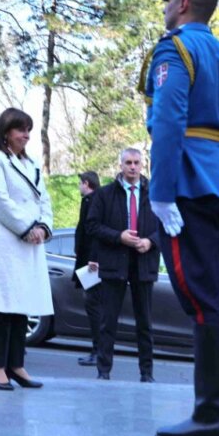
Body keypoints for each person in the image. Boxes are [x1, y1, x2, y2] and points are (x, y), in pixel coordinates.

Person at [140, 0, 219, 436]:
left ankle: (212, 417)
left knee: (203, 302)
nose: (166, 7)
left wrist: (161, 192)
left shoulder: (175, 49)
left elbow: (168, 121)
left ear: (183, 3)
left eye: (169, 0)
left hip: (187, 185)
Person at [0, 108, 53, 391]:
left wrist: (43, 227)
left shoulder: (31, 164)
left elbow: (44, 200)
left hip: (28, 244)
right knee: (2, 305)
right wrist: (27, 227)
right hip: (4, 244)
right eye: (21, 129)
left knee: (22, 304)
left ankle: (15, 364)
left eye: (28, 130)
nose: (26, 135)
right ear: (6, 132)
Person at [86, 148, 160, 382]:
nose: (132, 167)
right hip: (114, 262)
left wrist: (150, 241)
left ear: (142, 165)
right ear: (120, 165)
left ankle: (147, 373)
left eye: (136, 162)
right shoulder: (105, 194)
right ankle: (103, 371)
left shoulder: (155, 194)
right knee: (108, 321)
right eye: (128, 162)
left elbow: (169, 225)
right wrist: (119, 237)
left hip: (144, 263)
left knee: (145, 323)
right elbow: (92, 225)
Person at [73, 171, 101, 367]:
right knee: (92, 305)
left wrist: (93, 259)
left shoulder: (93, 202)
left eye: (80, 183)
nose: (79, 187)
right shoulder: (90, 201)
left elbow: (92, 233)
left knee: (93, 305)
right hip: (88, 262)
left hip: (91, 264)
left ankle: (98, 351)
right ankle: (98, 350)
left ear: (86, 183)